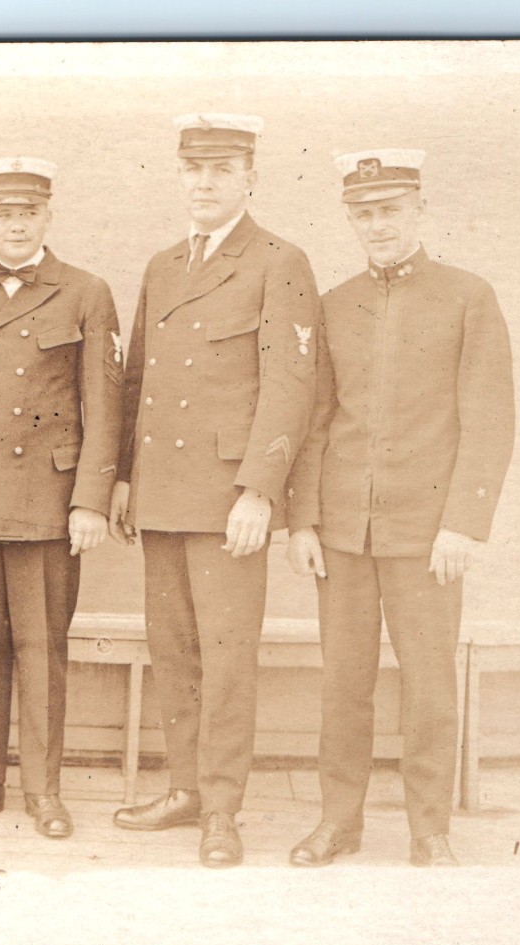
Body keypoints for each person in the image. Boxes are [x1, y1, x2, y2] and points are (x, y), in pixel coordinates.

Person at [285, 149, 515, 868]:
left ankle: (428, 830)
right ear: (350, 220)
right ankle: (338, 822)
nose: (377, 225)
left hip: (427, 534)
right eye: (364, 213)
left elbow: (489, 418)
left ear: (419, 212)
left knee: (429, 685)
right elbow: (315, 418)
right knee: (342, 684)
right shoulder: (333, 304)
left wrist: (464, 524)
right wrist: (304, 519)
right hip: (344, 529)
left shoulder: (467, 296)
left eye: (390, 211)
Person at [108, 113, 320, 867]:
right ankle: (186, 789)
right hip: (163, 493)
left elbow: (290, 385)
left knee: (226, 658)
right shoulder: (165, 264)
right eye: (193, 169)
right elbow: (138, 378)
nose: (204, 182)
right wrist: (126, 476)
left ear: (251, 177)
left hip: (230, 499)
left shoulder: (278, 261)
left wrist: (260, 491)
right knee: (174, 652)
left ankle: (222, 810)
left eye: (221, 170)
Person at [0, 157, 122, 840]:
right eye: (2, 214)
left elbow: (104, 403)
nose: (15, 225)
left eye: (28, 214)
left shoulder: (85, 292)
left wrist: (91, 500)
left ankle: (44, 789)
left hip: (47, 502)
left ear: (48, 217)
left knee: (42, 648)